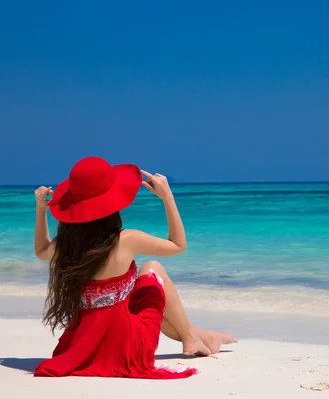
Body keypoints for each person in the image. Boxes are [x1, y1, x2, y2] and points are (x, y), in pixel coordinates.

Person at [31, 156, 237, 378]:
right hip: (128, 346)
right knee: (153, 267)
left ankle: (203, 336)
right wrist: (167, 197)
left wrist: (41, 210)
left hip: (82, 346)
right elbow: (178, 245)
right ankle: (191, 335)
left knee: (156, 310)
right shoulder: (126, 240)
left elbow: (41, 251)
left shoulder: (67, 245)